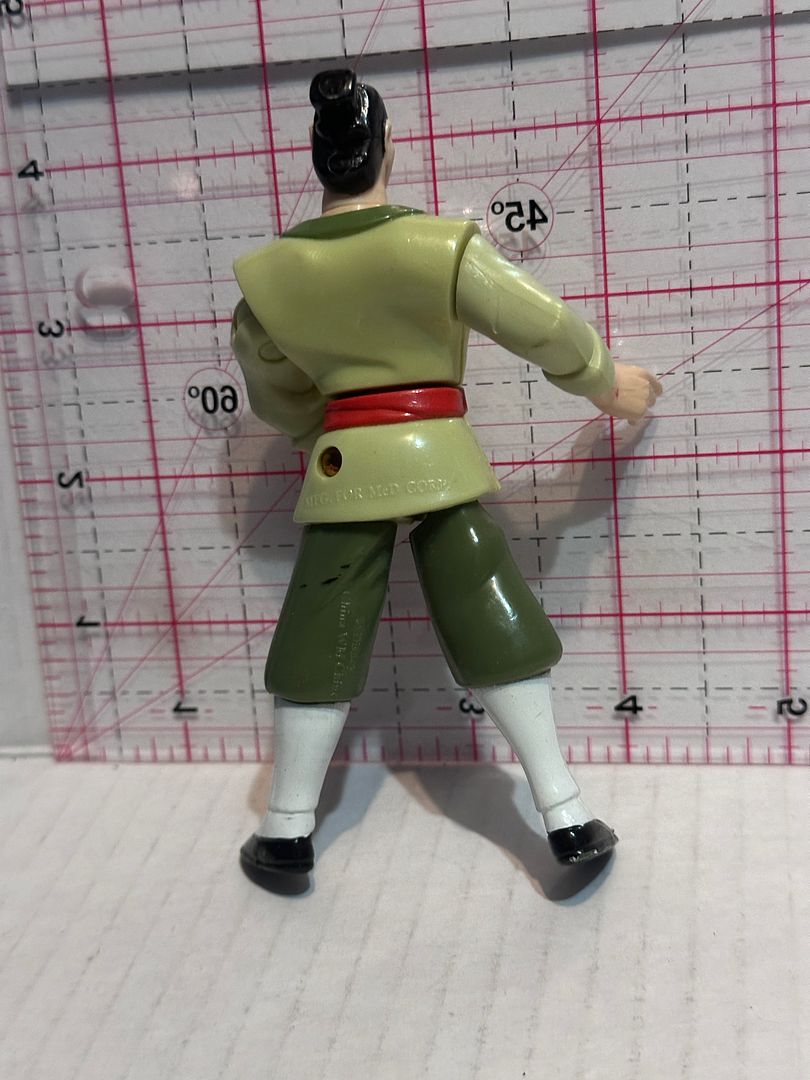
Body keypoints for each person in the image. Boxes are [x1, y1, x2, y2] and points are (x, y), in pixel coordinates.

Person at [231, 69, 662, 882]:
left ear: (317, 154)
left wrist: (320, 433)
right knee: (490, 609)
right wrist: (606, 382)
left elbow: (272, 388)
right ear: (388, 147)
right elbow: (540, 323)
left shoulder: (269, 278)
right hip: (438, 457)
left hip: (343, 463)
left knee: (320, 629)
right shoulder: (439, 248)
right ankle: (564, 812)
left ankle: (286, 828)